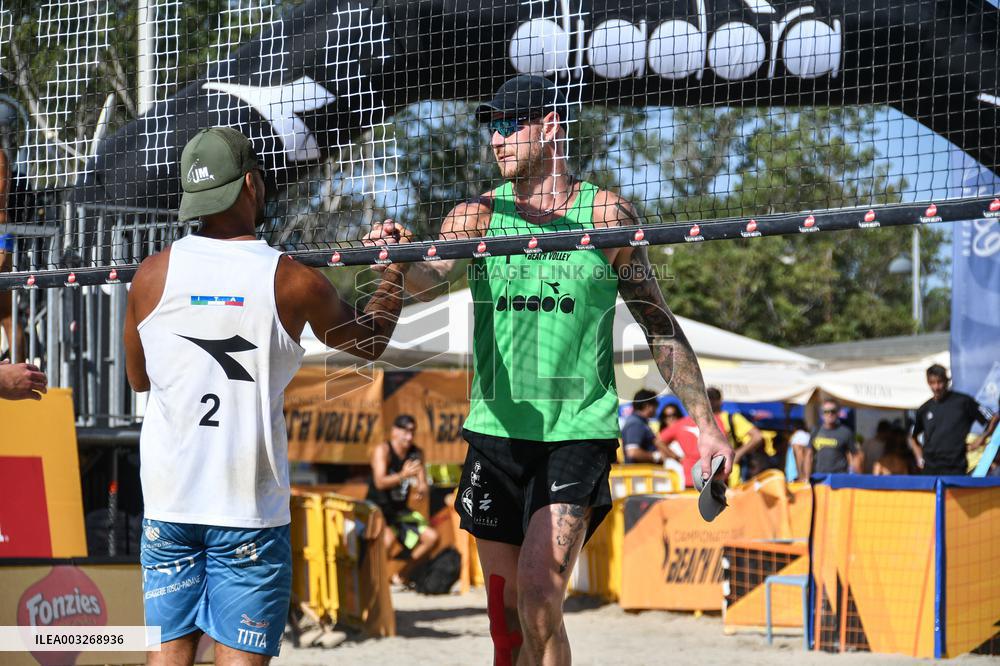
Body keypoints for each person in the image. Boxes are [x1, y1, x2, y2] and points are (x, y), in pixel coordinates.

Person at [367, 74, 734, 666]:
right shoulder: (477, 217)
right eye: (493, 126)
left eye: (512, 124)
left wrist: (708, 426)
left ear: (551, 126)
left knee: (540, 597)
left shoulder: (607, 213)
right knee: (506, 623)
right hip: (496, 432)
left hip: (576, 435)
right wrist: (393, 261)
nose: (498, 138)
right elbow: (423, 281)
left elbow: (658, 325)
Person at [123, 127, 404, 666]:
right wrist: (392, 268)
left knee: (168, 655)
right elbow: (370, 340)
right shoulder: (291, 280)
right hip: (246, 508)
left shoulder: (149, 275)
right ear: (251, 184)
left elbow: (138, 380)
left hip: (168, 501)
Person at [367, 414, 439, 582]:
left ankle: (401, 575)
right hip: (377, 509)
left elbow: (422, 481)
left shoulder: (415, 453)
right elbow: (380, 482)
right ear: (394, 432)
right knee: (387, 540)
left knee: (431, 537)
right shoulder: (383, 451)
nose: (409, 436)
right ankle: (375, 581)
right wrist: (403, 475)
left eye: (412, 432)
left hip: (399, 512)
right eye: (405, 431)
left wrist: (422, 487)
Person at [910, 364, 990, 475]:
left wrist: (982, 438)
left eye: (940, 382)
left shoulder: (963, 402)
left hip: (955, 467)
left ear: (947, 381)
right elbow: (913, 438)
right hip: (930, 469)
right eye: (932, 383)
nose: (936, 387)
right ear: (928, 383)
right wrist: (919, 458)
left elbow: (992, 418)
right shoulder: (924, 409)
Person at [707, 388, 765, 481]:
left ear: (720, 401)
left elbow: (757, 436)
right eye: (707, 398)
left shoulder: (732, 418)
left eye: (713, 398)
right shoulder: (697, 421)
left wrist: (739, 453)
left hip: (730, 474)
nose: (710, 401)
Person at [810, 399, 860, 474]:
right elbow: (808, 454)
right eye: (826, 411)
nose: (830, 414)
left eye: (833, 411)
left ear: (838, 413)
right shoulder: (815, 431)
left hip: (839, 478)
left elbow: (855, 455)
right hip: (819, 478)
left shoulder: (846, 432)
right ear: (822, 415)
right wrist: (806, 477)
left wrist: (858, 478)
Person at [621, 389, 666, 464]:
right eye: (656, 405)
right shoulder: (635, 423)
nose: (657, 409)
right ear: (647, 405)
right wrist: (656, 456)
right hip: (639, 473)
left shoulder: (641, 422)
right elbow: (632, 452)